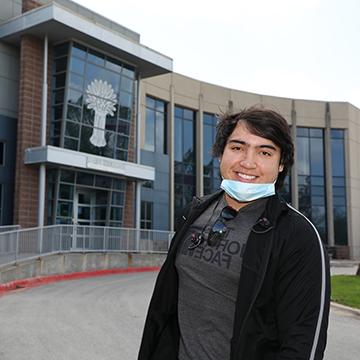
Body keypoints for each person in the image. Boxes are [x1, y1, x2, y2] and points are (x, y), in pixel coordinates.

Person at [138, 106, 330, 360]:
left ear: (281, 163)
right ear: (221, 153)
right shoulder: (195, 212)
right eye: (237, 148)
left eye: (264, 152)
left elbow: (303, 343)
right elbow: (165, 311)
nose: (247, 162)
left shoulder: (298, 236)